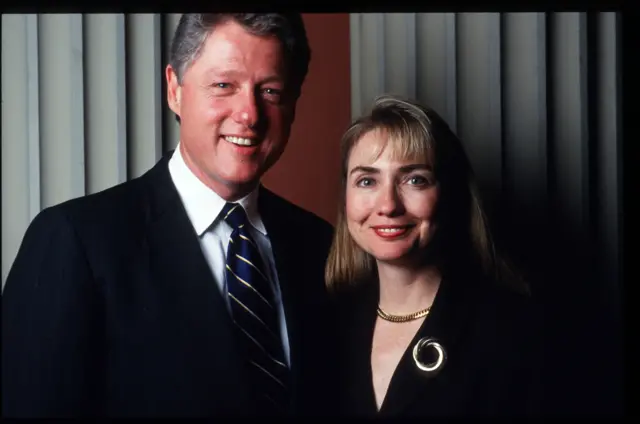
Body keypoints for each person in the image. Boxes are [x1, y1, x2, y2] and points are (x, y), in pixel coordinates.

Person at [2, 13, 338, 417]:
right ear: (174, 90)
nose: (249, 114)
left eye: (270, 91)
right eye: (223, 85)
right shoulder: (77, 241)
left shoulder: (320, 245)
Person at [325, 94, 542, 416]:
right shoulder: (324, 325)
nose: (388, 205)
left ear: (449, 194)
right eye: (367, 180)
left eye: (415, 180)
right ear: (346, 198)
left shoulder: (514, 330)